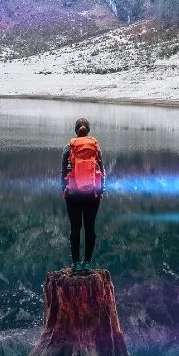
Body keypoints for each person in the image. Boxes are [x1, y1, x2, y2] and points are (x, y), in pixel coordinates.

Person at [61, 117, 105, 272]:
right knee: (90, 227)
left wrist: (64, 190)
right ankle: (87, 262)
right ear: (88, 131)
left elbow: (63, 173)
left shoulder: (69, 147)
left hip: (73, 193)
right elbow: (102, 170)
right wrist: (100, 189)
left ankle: (75, 264)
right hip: (92, 193)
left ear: (75, 131)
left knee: (75, 228)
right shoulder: (95, 147)